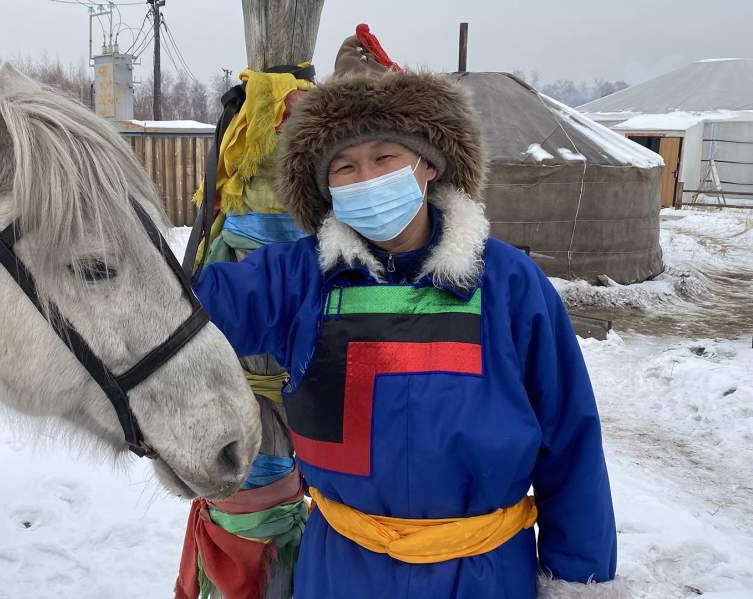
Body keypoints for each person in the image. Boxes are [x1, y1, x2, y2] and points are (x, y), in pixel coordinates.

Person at [191, 28, 619, 598]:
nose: (366, 178)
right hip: (342, 569)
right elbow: (179, 316)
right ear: (325, 187)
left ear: (428, 165)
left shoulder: (510, 283)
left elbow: (570, 438)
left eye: (384, 157)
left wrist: (578, 577)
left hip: (483, 575)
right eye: (343, 167)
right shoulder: (296, 277)